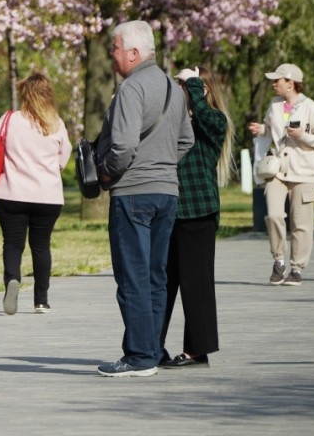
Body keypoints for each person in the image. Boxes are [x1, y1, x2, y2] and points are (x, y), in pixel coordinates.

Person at [94, 20, 194, 377]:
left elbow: (122, 146)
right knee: (155, 276)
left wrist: (105, 171)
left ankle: (139, 356)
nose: (112, 55)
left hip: (133, 193)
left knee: (133, 276)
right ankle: (153, 348)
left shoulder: (131, 89)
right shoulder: (171, 87)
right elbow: (187, 141)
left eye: (115, 48)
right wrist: (162, 164)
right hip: (167, 192)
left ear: (134, 53)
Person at [160, 66, 233, 369]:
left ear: (202, 91)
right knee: (162, 282)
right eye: (178, 83)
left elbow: (204, 116)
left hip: (198, 211)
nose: (180, 89)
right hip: (169, 209)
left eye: (185, 85)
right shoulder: (174, 121)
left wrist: (193, 85)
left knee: (196, 283)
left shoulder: (214, 120)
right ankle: (150, 344)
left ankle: (197, 349)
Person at [0, 72, 70, 316]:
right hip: (47, 197)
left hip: (11, 194)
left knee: (12, 243)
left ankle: (12, 279)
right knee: (41, 246)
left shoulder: (10, 119)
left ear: (24, 94)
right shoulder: (57, 123)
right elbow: (64, 157)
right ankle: (41, 300)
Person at [248, 63, 314, 286]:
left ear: (290, 82)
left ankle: (297, 268)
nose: (274, 84)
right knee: (273, 215)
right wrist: (261, 129)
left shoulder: (311, 107)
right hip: (277, 171)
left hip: (304, 172)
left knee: (301, 223)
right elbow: (270, 128)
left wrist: (303, 136)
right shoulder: (275, 105)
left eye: (278, 80)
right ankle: (279, 260)